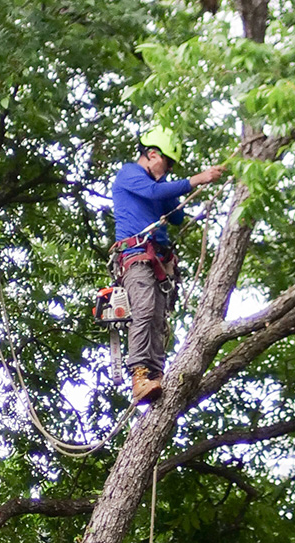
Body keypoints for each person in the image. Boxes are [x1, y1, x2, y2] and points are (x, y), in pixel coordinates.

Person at [111, 127, 224, 403]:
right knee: (144, 309)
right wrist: (198, 179)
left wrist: (167, 183)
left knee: (159, 319)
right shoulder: (129, 173)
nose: (170, 168)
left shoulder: (158, 186)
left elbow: (176, 218)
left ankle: (155, 374)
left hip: (159, 261)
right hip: (136, 256)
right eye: (168, 162)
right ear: (152, 154)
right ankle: (139, 373)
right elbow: (151, 192)